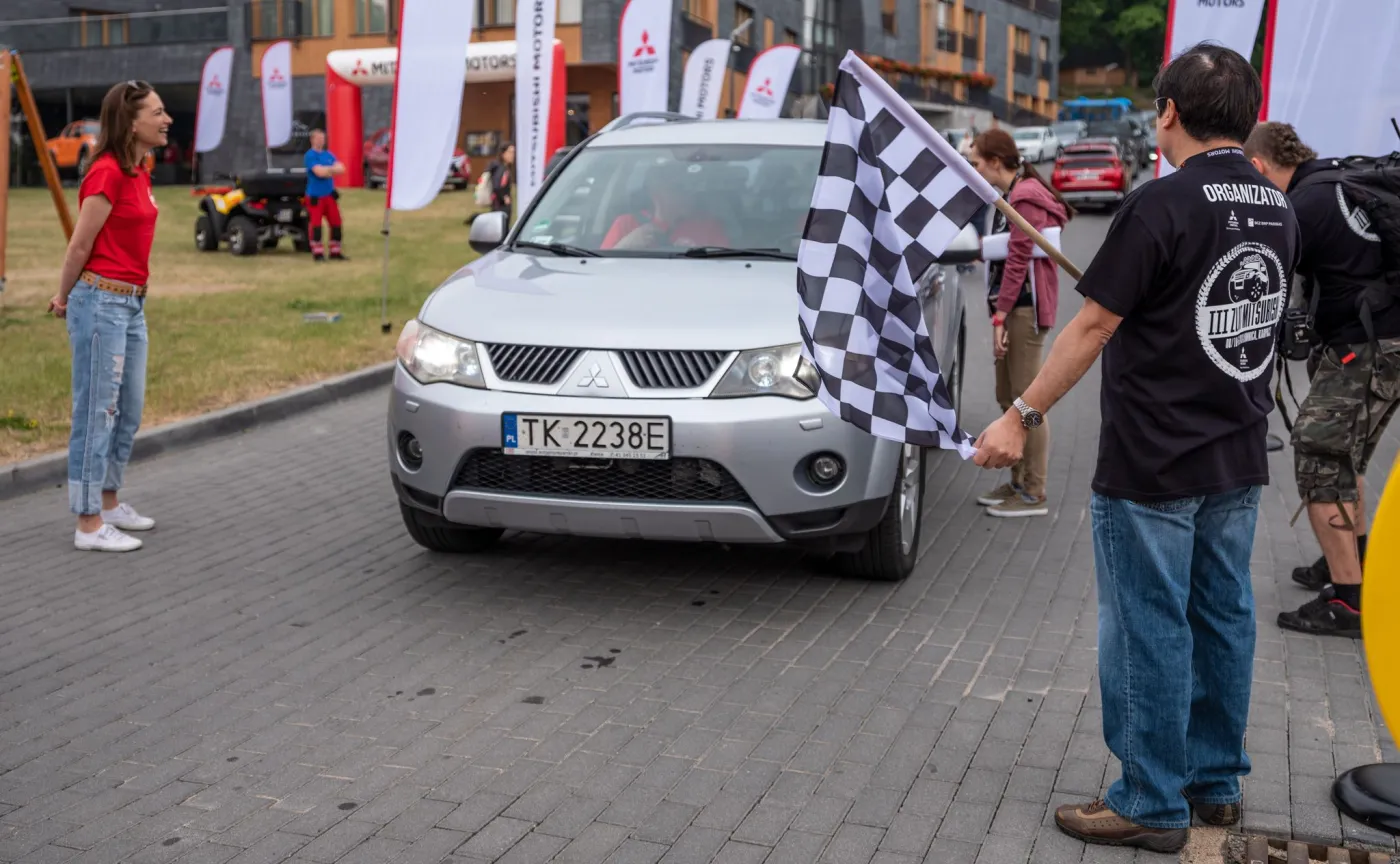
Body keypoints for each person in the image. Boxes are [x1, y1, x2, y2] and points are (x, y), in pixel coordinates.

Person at [973, 43, 1299, 852]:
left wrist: (1020, 413)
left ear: (1167, 114)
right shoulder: (1276, 206)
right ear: (1247, 117)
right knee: (1223, 617)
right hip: (1236, 452)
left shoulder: (1160, 204)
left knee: (1150, 625)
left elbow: (1092, 325)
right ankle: (1213, 783)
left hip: (1154, 460)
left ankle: (1150, 798)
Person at [1245, 122, 1400, 638]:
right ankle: (1349, 560)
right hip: (1384, 344)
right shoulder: (1333, 180)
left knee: (1317, 453)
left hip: (1367, 346)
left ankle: (1349, 602)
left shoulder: (1302, 206)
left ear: (1258, 167)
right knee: (1343, 455)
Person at [46, 80, 170, 553]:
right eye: (157, 113)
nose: (166, 119)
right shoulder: (106, 174)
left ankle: (111, 500)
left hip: (131, 303)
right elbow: (80, 244)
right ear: (130, 120)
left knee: (128, 410)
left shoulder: (139, 170)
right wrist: (61, 297)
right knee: (97, 411)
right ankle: (88, 523)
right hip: (99, 302)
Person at [967, 128, 1071, 518]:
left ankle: (1033, 491)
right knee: (1009, 399)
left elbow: (1017, 261)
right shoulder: (1010, 195)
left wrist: (1000, 316)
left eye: (976, 161)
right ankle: (1017, 481)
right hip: (1012, 310)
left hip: (1022, 312)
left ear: (995, 162)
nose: (973, 167)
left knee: (1029, 405)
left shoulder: (1024, 196)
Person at [601, 161, 729, 251]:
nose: (688, 193)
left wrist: (697, 252)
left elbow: (727, 267)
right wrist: (628, 244)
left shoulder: (708, 226)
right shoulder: (626, 223)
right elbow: (599, 267)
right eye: (678, 188)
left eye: (690, 187)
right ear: (655, 193)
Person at [303, 128, 346, 262]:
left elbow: (342, 168)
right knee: (316, 224)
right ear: (312, 140)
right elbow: (319, 173)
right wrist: (331, 170)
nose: (321, 141)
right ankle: (317, 252)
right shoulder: (310, 155)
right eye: (318, 138)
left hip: (329, 195)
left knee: (336, 223)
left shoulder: (328, 155)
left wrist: (327, 170)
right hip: (315, 196)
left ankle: (335, 251)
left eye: (323, 138)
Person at [490, 142, 515, 221]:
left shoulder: (505, 168)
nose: (512, 155)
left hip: (499, 205)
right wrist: (504, 197)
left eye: (513, 152)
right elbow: (497, 186)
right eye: (510, 152)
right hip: (501, 206)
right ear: (503, 154)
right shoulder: (502, 169)